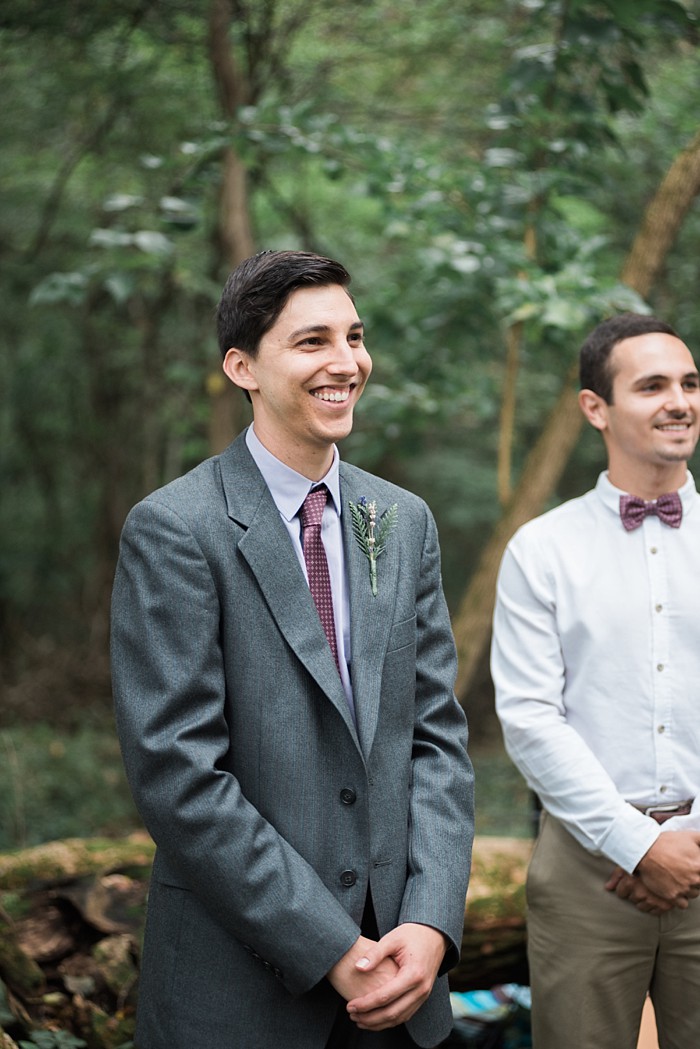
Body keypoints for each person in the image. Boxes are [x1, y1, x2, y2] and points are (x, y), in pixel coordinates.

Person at [111, 249, 474, 1049]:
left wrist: (431, 919)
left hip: (404, 987)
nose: (346, 362)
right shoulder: (177, 529)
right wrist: (329, 945)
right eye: (313, 341)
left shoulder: (402, 519)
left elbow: (438, 738)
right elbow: (178, 774)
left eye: (355, 336)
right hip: (242, 994)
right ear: (242, 365)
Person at [491, 312, 700, 1049]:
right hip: (584, 871)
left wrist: (687, 838)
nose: (680, 400)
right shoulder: (541, 549)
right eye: (652, 386)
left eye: (689, 382)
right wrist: (634, 843)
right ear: (596, 408)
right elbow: (529, 717)